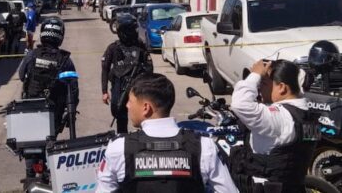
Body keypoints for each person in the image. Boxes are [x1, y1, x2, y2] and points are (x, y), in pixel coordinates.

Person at [96, 73, 238, 192]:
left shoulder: (118, 148)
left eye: (130, 101)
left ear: (146, 108)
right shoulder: (204, 147)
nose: (127, 105)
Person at [227, 59, 315, 193]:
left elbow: (240, 104)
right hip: (293, 186)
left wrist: (255, 75)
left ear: (282, 87)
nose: (259, 88)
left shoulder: (280, 117)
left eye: (263, 83)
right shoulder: (307, 114)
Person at [17, 17, 78, 177]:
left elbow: (22, 75)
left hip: (31, 109)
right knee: (50, 141)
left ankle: (30, 172)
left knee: (30, 141)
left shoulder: (32, 55)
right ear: (60, 35)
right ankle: (48, 171)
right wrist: (71, 112)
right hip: (54, 111)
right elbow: (73, 89)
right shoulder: (65, 60)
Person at [101, 14, 153, 134]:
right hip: (119, 87)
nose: (136, 31)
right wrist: (104, 91)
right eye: (133, 29)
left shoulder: (140, 46)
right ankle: (122, 139)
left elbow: (150, 68)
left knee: (144, 116)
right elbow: (105, 69)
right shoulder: (113, 48)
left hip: (138, 87)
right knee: (119, 114)